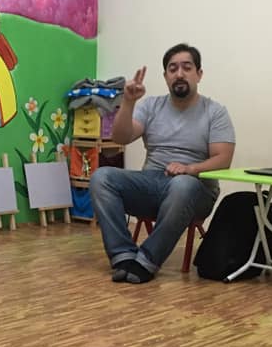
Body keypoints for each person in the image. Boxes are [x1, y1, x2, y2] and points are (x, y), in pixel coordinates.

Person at [90, 43, 235, 283]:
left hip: (196, 189)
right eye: (172, 69)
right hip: (151, 183)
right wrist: (128, 102)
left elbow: (223, 159)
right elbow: (120, 137)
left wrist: (190, 169)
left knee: (182, 184)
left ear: (199, 74)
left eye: (187, 67)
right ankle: (123, 256)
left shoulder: (215, 111)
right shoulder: (151, 106)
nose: (179, 74)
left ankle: (147, 261)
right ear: (166, 76)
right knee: (101, 177)